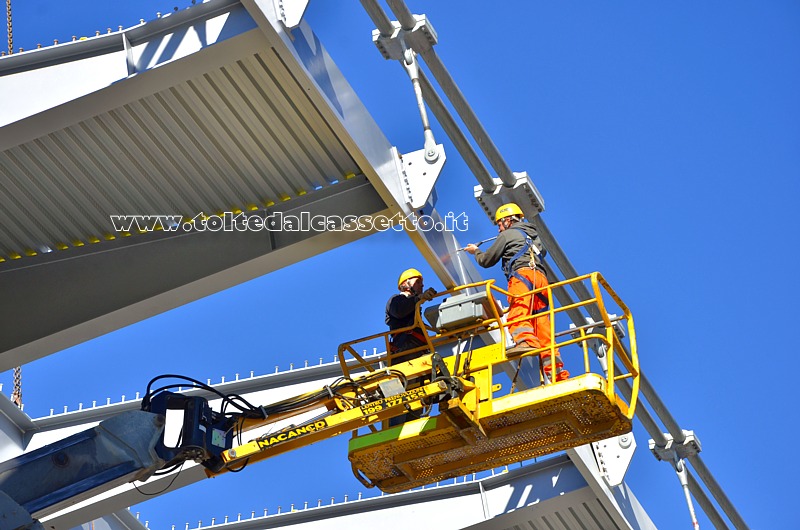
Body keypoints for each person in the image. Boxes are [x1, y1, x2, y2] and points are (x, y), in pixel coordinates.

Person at [464, 203, 569, 382]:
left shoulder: (507, 234)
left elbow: (486, 260)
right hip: (541, 280)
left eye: (499, 223)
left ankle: (526, 341)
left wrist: (476, 251)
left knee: (518, 313)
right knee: (543, 326)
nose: (498, 228)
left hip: (522, 276)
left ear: (507, 220)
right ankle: (558, 375)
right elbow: (541, 252)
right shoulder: (533, 235)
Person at [385, 268, 436, 426]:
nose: (421, 285)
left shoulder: (414, 306)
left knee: (417, 395)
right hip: (404, 350)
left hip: (418, 351)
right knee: (399, 395)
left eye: (422, 283)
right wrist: (419, 298)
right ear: (405, 284)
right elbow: (399, 311)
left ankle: (411, 425)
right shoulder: (396, 300)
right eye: (417, 282)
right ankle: (395, 427)